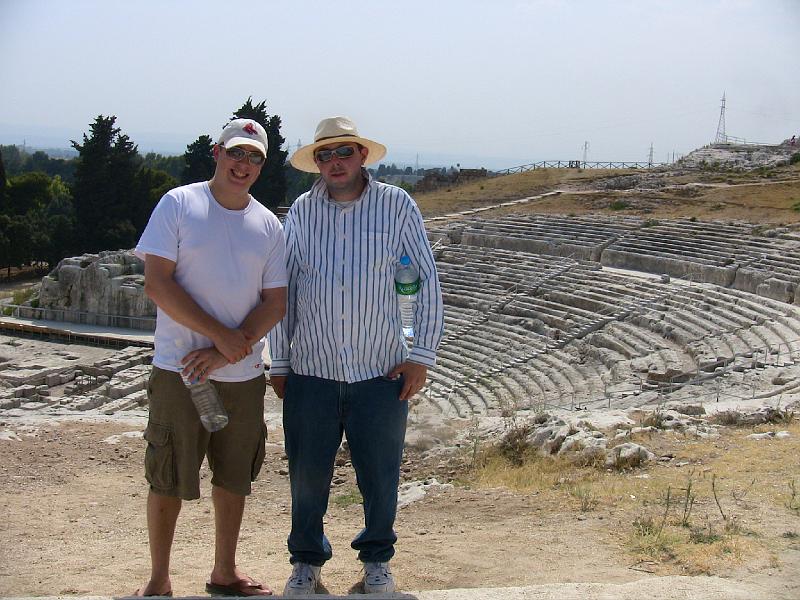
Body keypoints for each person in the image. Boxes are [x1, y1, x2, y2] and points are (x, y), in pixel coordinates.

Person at [268, 116, 444, 595]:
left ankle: (376, 565)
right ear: (316, 163)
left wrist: (421, 353)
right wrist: (279, 361)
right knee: (306, 478)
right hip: (311, 370)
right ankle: (306, 564)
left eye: (343, 152)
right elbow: (286, 290)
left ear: (362, 155)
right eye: (324, 155)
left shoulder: (397, 206)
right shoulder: (302, 210)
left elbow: (422, 281)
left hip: (380, 372)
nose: (334, 162)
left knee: (380, 476)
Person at [133, 118, 287, 597]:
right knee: (168, 473)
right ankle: (159, 580)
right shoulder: (179, 204)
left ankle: (225, 571)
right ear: (217, 153)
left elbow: (275, 303)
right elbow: (157, 283)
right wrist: (221, 337)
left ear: (263, 165)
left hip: (239, 374)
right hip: (180, 370)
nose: (245, 165)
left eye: (255, 157)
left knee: (235, 473)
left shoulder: (268, 224)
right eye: (237, 153)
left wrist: (226, 350)